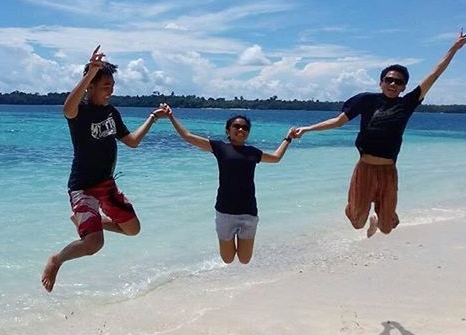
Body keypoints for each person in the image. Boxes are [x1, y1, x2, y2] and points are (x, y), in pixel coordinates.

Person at [292, 30, 466, 237]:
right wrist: (307, 129)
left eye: (398, 82)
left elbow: (434, 75)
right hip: (365, 168)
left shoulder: (407, 104)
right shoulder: (366, 100)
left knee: (386, 228)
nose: (393, 84)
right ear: (381, 82)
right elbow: (339, 121)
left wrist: (454, 49)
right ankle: (360, 208)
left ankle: (379, 217)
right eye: (389, 80)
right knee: (357, 222)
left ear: (404, 87)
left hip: (388, 171)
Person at [42, 46, 168, 292]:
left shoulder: (111, 112)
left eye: (112, 85)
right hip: (83, 187)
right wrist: (90, 72)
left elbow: (131, 141)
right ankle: (56, 260)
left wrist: (153, 117)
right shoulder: (80, 112)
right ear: (90, 86)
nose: (110, 90)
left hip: (107, 184)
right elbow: (67, 108)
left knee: (133, 229)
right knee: (94, 244)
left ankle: (92, 221)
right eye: (105, 85)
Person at [164, 104, 295, 264]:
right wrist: (171, 116)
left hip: (248, 212)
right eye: (237, 126)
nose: (241, 129)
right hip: (225, 212)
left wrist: (288, 138)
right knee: (227, 259)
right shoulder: (220, 148)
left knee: (245, 259)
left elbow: (275, 158)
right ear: (228, 131)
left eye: (245, 128)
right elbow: (188, 136)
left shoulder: (253, 152)